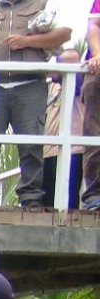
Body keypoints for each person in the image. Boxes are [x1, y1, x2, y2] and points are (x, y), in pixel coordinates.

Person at [0, 0, 70, 209]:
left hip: (29, 84)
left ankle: (31, 199)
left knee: (31, 144)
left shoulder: (42, 5)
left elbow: (65, 34)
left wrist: (28, 41)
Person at [42, 50, 87, 209]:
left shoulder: (81, 82)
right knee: (46, 202)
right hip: (48, 151)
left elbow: (73, 61)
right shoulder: (49, 86)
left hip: (73, 150)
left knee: (69, 202)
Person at [82, 2, 100, 210]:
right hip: (98, 71)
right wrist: (97, 55)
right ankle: (95, 195)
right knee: (95, 134)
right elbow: (94, 26)